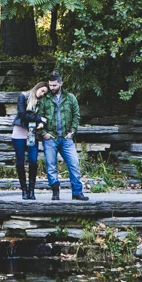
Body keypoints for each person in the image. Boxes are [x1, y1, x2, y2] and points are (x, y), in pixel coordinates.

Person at [37, 71, 89, 201]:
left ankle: (77, 192)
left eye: (54, 85)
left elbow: (76, 115)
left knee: (74, 164)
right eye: (50, 85)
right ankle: (55, 192)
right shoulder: (45, 99)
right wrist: (43, 134)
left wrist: (73, 131)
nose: (52, 88)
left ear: (61, 83)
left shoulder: (70, 97)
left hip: (66, 138)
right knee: (51, 166)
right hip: (50, 138)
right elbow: (38, 118)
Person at [12, 81, 48, 200]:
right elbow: (22, 114)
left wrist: (42, 122)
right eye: (42, 91)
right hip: (19, 132)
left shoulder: (41, 102)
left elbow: (45, 117)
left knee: (33, 161)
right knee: (20, 162)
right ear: (37, 87)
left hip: (32, 133)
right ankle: (24, 190)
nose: (43, 94)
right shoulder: (23, 96)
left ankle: (31, 190)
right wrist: (39, 118)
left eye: (45, 93)